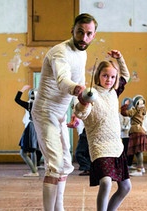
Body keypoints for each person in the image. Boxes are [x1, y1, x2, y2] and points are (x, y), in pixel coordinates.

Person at [31, 13, 98, 210]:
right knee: (54, 165)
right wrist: (79, 91)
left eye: (88, 34)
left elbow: (80, 81)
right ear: (72, 31)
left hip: (60, 115)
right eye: (80, 32)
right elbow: (63, 81)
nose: (83, 38)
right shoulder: (59, 52)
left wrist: (76, 113)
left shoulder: (82, 53)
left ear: (93, 35)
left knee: (66, 164)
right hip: (44, 112)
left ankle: (59, 208)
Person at [74, 49, 131, 211]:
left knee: (126, 187)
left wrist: (120, 58)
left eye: (113, 77)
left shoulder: (113, 92)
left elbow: (126, 76)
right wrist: (84, 102)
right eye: (105, 75)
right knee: (105, 182)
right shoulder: (91, 93)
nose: (109, 79)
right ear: (98, 75)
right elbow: (80, 113)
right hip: (99, 146)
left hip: (116, 146)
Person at [15, 85, 39, 177]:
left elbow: (17, 99)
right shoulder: (40, 106)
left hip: (31, 127)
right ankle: (34, 168)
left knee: (23, 152)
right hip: (37, 127)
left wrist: (22, 90)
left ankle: (34, 171)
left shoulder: (29, 105)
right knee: (33, 150)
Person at [121, 95, 147, 176]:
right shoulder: (143, 110)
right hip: (141, 130)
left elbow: (124, 113)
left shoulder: (135, 110)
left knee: (138, 151)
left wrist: (125, 105)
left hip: (136, 131)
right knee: (139, 151)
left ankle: (139, 169)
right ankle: (141, 168)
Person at [119, 97, 132, 168]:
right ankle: (124, 163)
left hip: (132, 133)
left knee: (131, 150)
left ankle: (129, 163)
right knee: (125, 148)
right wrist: (125, 127)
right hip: (125, 134)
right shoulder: (121, 114)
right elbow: (120, 123)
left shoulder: (133, 111)